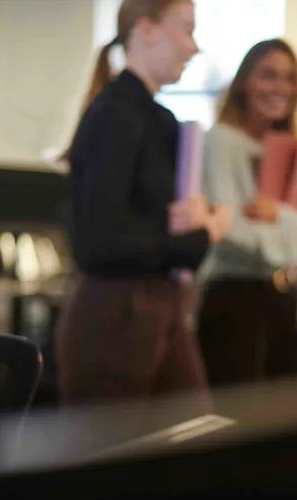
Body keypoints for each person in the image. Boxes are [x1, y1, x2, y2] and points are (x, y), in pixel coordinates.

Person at [55, 0, 232, 413]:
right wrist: (199, 237)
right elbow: (98, 244)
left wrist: (201, 216)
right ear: (146, 30)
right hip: (115, 317)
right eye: (185, 30)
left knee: (194, 436)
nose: (193, 47)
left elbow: (154, 219)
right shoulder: (113, 115)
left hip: (159, 307)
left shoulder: (160, 120)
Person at [195, 39, 297, 388]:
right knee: (243, 428)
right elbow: (232, 231)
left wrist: (279, 215)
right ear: (244, 81)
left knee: (296, 424)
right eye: (268, 75)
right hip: (235, 302)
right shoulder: (220, 142)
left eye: (289, 78)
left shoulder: (287, 149)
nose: (281, 87)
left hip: (283, 299)